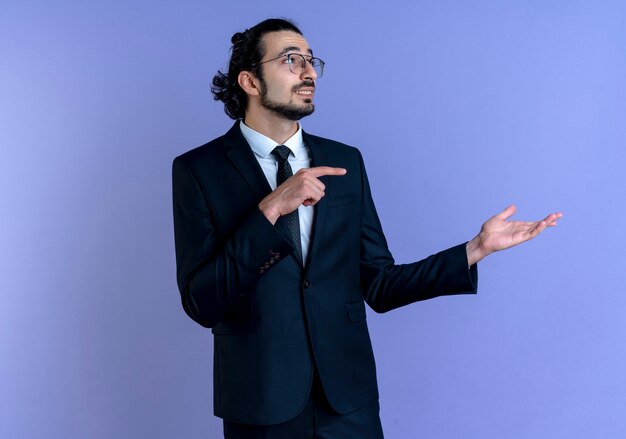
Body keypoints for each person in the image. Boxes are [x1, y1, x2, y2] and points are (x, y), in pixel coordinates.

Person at [172, 18, 562, 439]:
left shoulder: (346, 162)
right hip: (261, 402)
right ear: (249, 81)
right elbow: (201, 301)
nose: (310, 72)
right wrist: (270, 209)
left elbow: (379, 283)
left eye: (310, 60)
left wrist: (474, 249)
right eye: (291, 60)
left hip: (348, 400)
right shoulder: (198, 170)